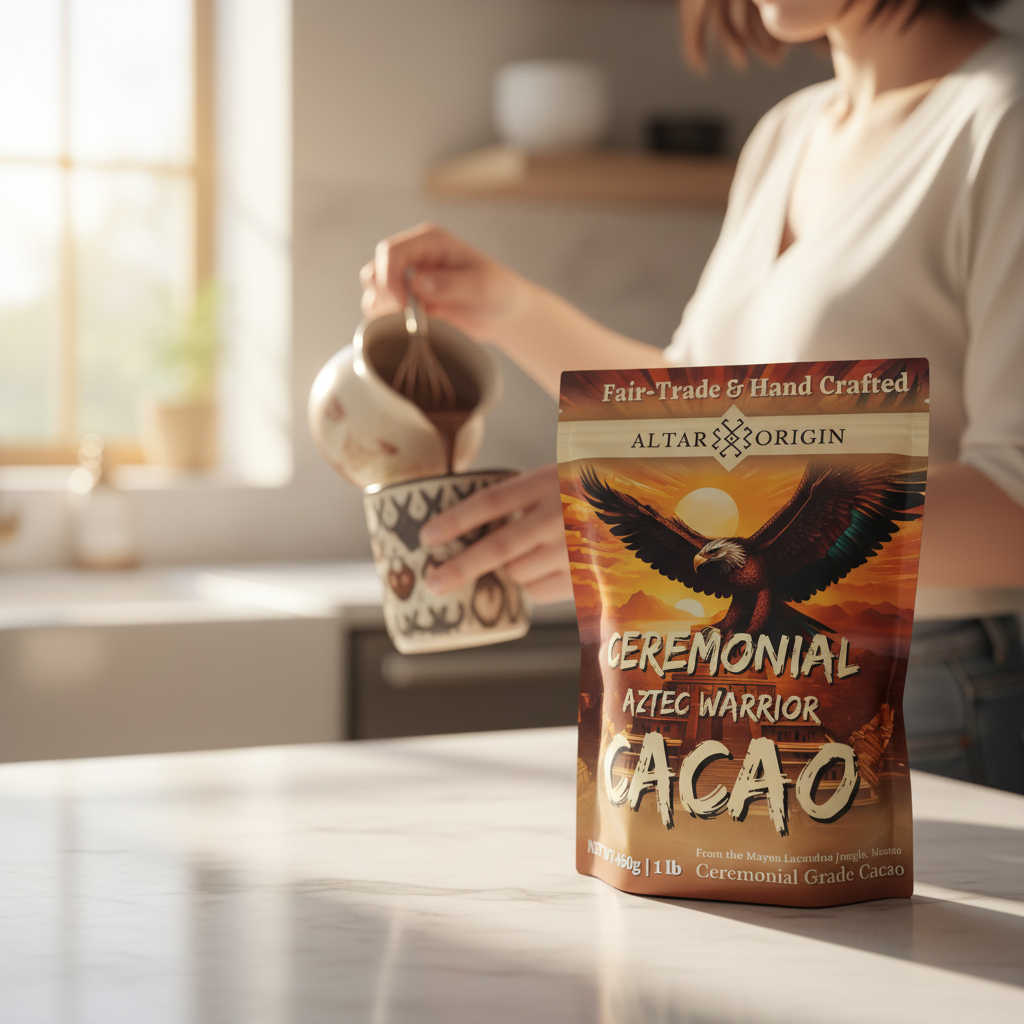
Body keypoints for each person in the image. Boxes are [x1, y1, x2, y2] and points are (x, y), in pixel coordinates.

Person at [360, 0, 1024, 792]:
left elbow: (1014, 500)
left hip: (933, 688)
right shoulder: (789, 133)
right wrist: (513, 311)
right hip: (762, 673)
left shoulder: (1002, 117)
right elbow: (706, 412)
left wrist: (631, 497)